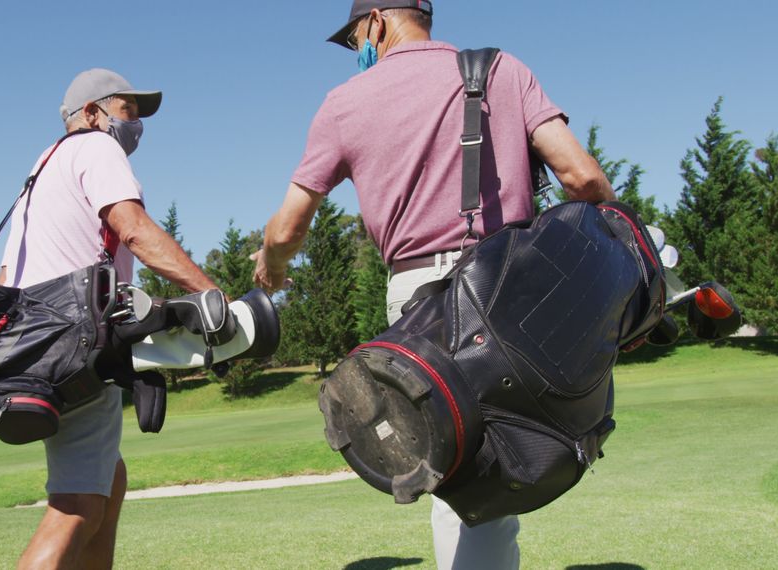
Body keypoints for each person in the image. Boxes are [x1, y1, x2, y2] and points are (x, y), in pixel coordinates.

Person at [251, 1, 616, 568]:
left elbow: (290, 225)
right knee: (499, 468)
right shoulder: (500, 69)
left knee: (463, 477)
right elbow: (582, 177)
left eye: (354, 39)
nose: (358, 52)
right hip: (511, 291)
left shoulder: (344, 104)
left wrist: (272, 263)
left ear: (375, 20)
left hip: (421, 302)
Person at [0, 68, 218, 570]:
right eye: (127, 111)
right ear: (92, 114)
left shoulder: (42, 166)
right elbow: (134, 229)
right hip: (71, 343)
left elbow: (9, 271)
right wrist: (212, 297)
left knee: (107, 482)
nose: (135, 125)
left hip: (28, 345)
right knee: (75, 507)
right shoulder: (97, 148)